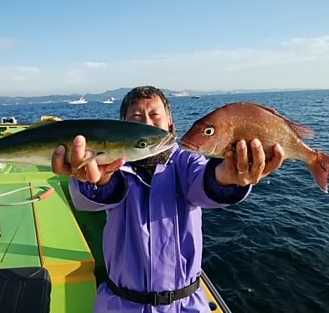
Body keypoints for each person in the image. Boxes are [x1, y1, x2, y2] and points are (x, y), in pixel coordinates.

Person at [51, 86, 285, 313]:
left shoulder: (188, 162)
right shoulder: (110, 166)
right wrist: (97, 183)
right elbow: (91, 200)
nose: (147, 123)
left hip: (186, 305)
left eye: (155, 115)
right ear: (122, 128)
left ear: (170, 126)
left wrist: (227, 178)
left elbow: (205, 184)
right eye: (136, 117)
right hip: (120, 303)